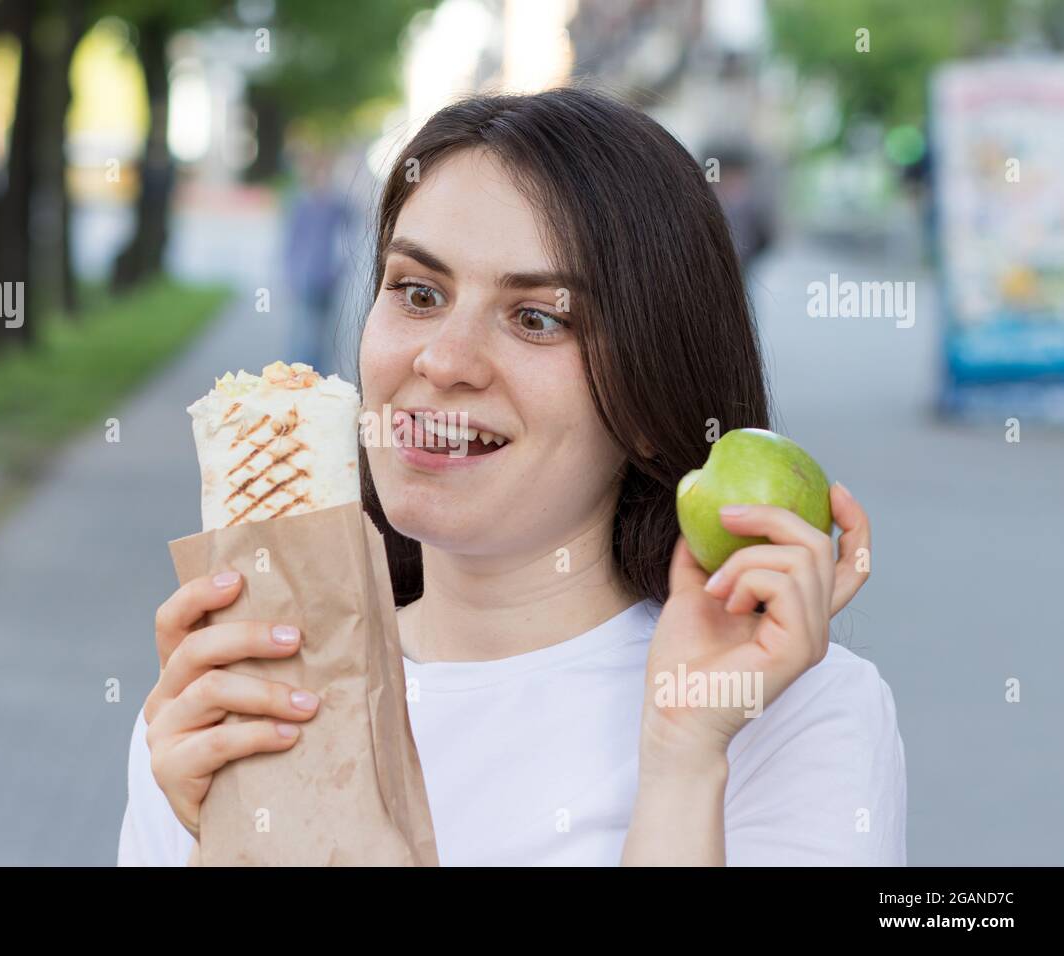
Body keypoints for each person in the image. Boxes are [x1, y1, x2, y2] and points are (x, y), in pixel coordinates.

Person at [119, 87, 906, 866]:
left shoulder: (786, 709)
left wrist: (683, 759)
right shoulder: (235, 700)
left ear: (646, 393)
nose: (444, 361)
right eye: (418, 293)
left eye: (537, 318)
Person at [282, 148, 353, 373]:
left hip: (330, 278)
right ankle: (297, 375)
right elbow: (292, 241)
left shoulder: (338, 205)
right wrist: (290, 274)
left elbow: (350, 232)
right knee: (304, 331)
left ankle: (318, 377)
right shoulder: (302, 203)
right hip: (306, 276)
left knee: (325, 332)